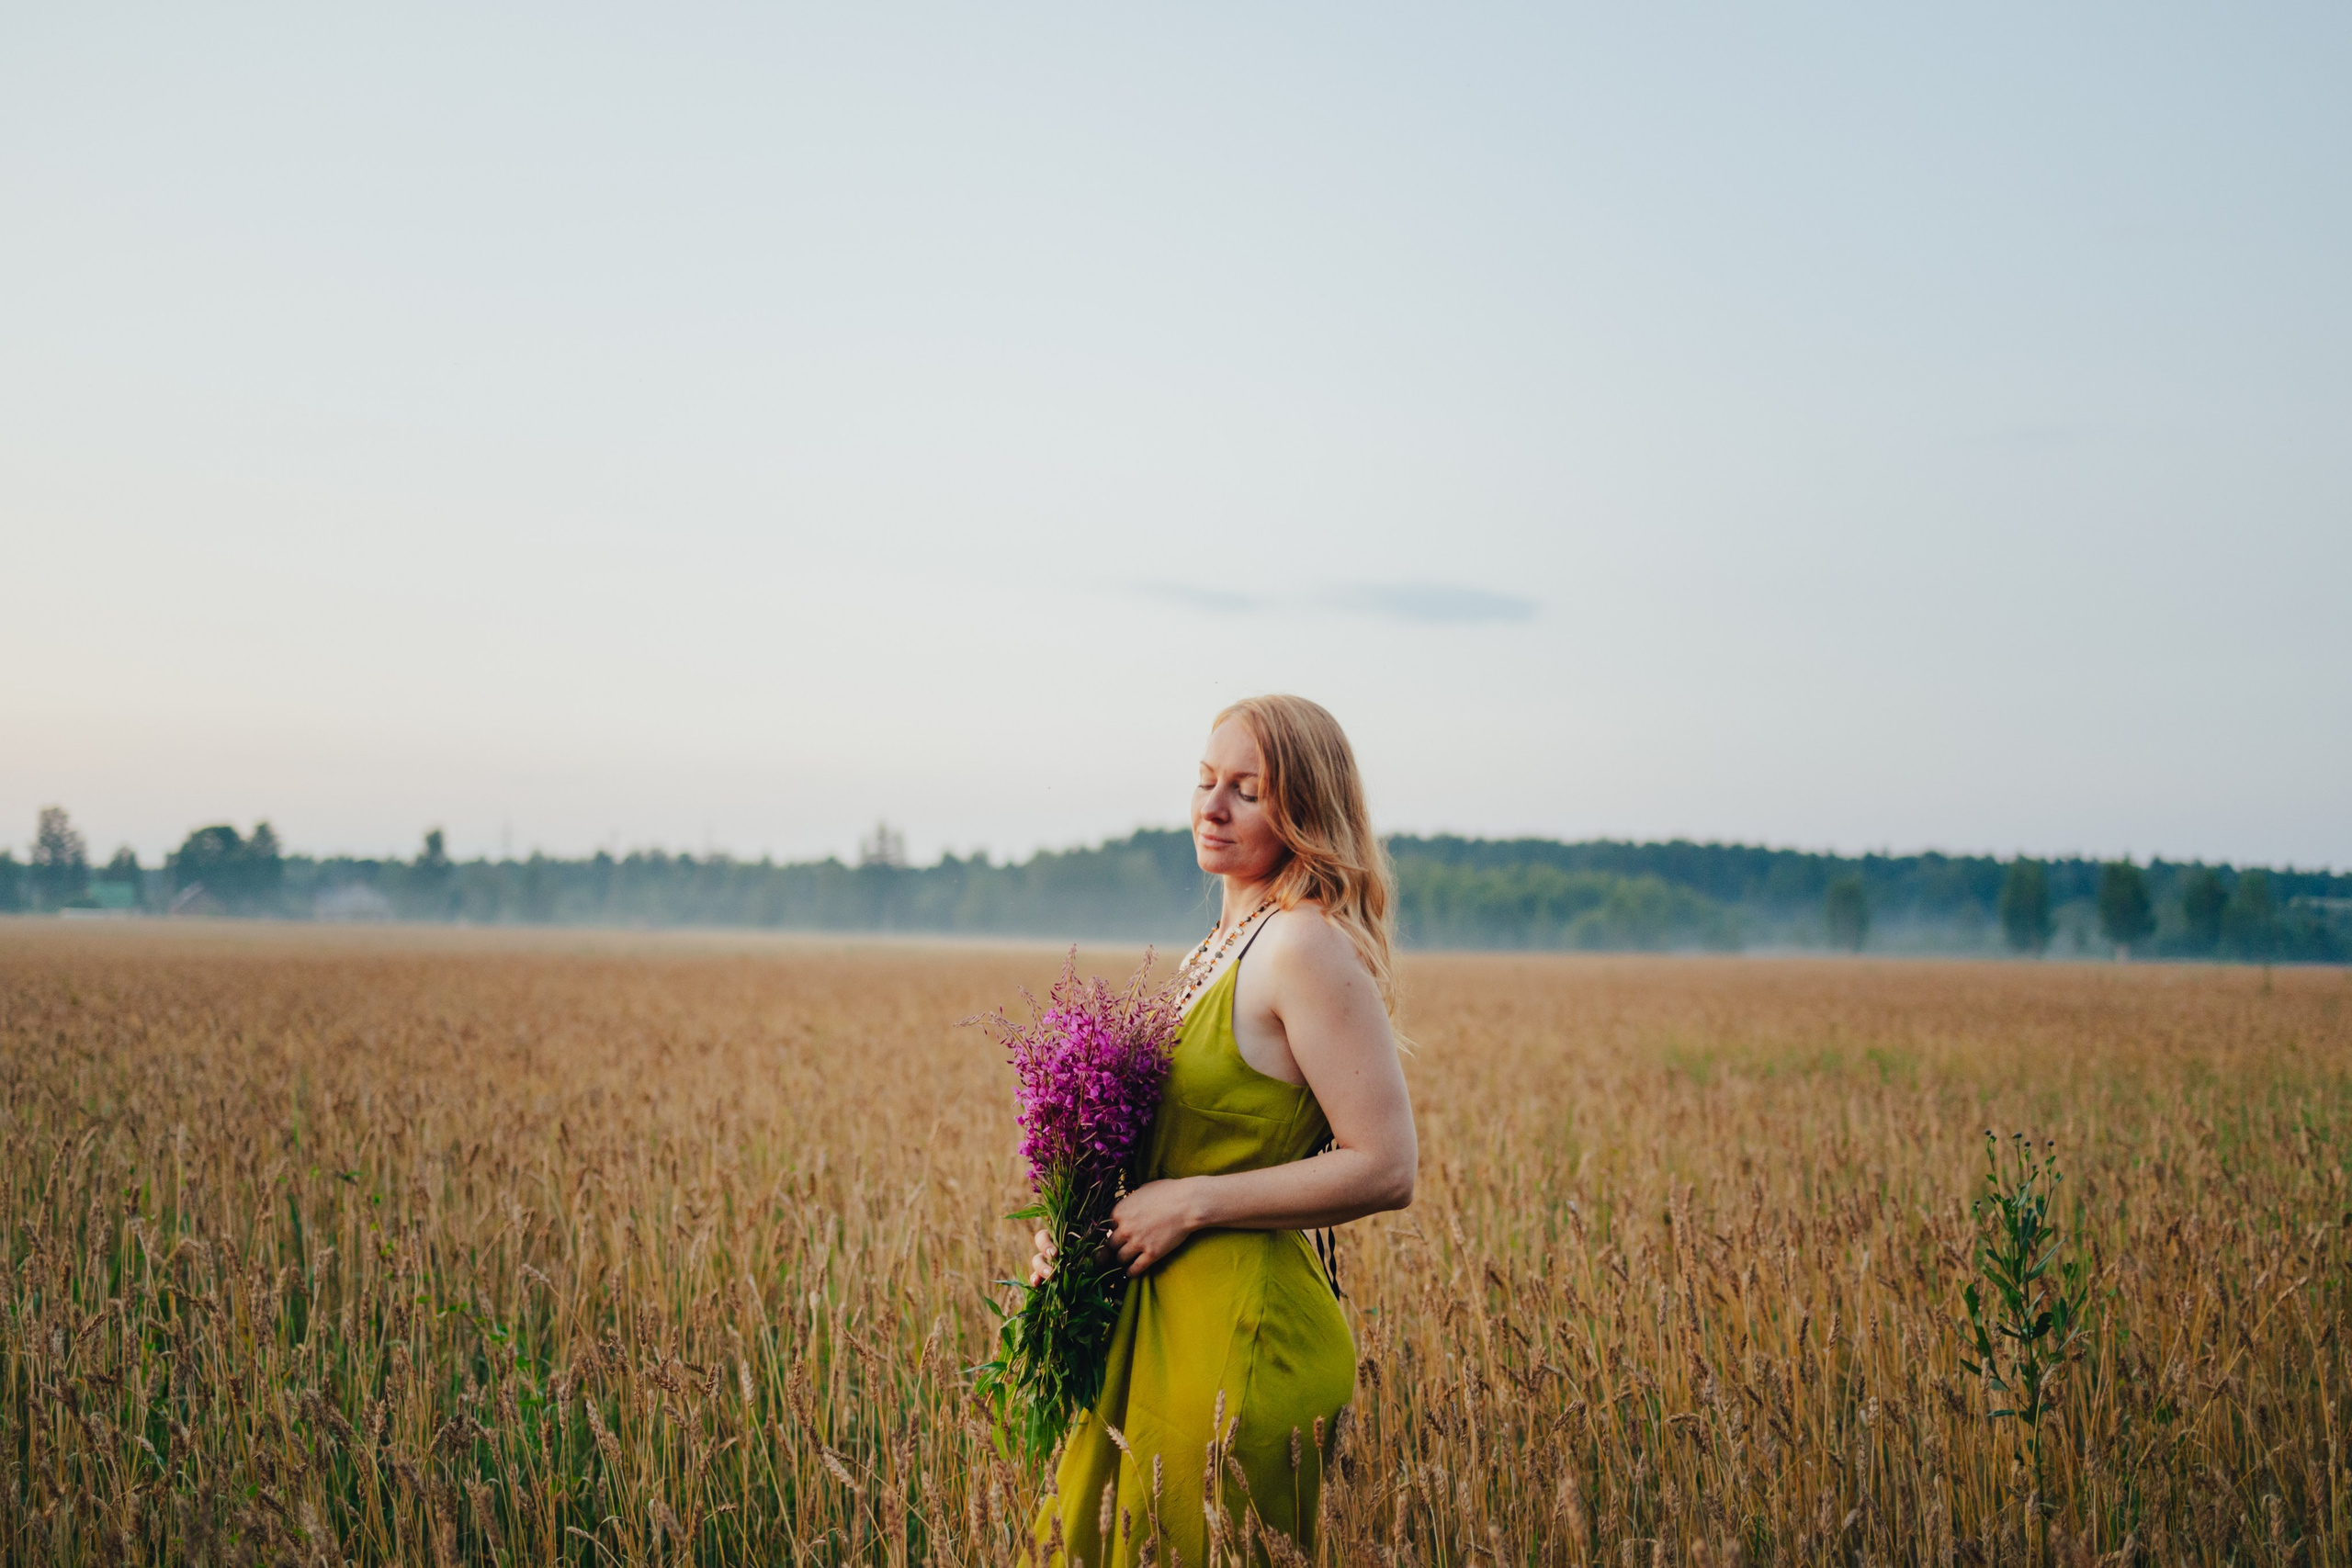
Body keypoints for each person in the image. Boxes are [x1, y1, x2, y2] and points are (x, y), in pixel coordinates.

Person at [1034, 694, 1419, 1566]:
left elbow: (1388, 1165)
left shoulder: (1302, 947)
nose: (1211, 807)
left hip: (1241, 1339)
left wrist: (1193, 1203)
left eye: (1247, 789)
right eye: (1206, 781)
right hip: (1158, 1318)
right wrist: (1078, 1233)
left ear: (1306, 808)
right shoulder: (1222, 943)